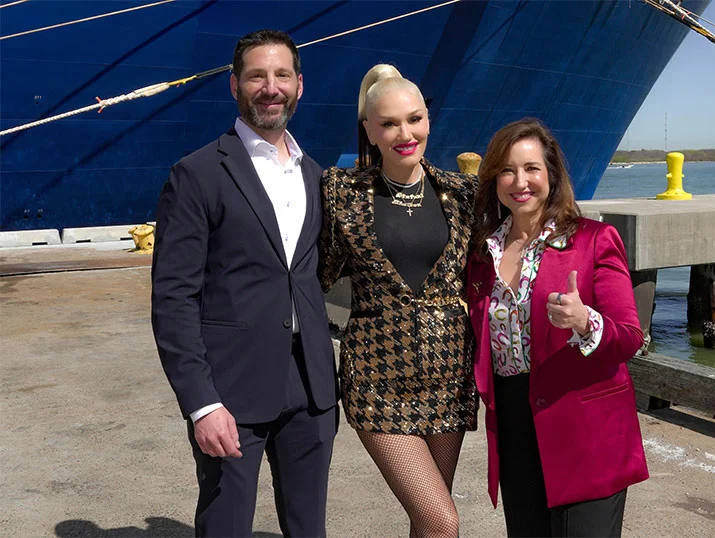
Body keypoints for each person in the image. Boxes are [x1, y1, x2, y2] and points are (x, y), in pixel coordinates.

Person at [151, 29, 337, 538]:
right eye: (257, 76)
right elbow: (173, 299)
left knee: (309, 529)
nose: (270, 88)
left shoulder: (316, 175)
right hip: (230, 391)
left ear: (300, 85)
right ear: (234, 85)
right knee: (225, 526)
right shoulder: (197, 174)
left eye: (281, 75)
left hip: (311, 387)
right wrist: (202, 403)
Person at [466, 118, 649, 537]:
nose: (520, 182)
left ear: (551, 174)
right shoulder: (482, 254)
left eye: (531, 168)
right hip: (514, 426)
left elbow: (629, 336)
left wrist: (585, 321)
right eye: (507, 170)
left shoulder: (594, 240)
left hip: (584, 427)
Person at [317, 64, 478, 538]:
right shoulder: (342, 192)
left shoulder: (463, 193)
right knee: (441, 520)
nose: (405, 134)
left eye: (414, 119)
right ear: (369, 130)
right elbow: (315, 275)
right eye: (388, 124)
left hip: (449, 379)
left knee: (427, 521)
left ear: (428, 119)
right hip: (377, 383)